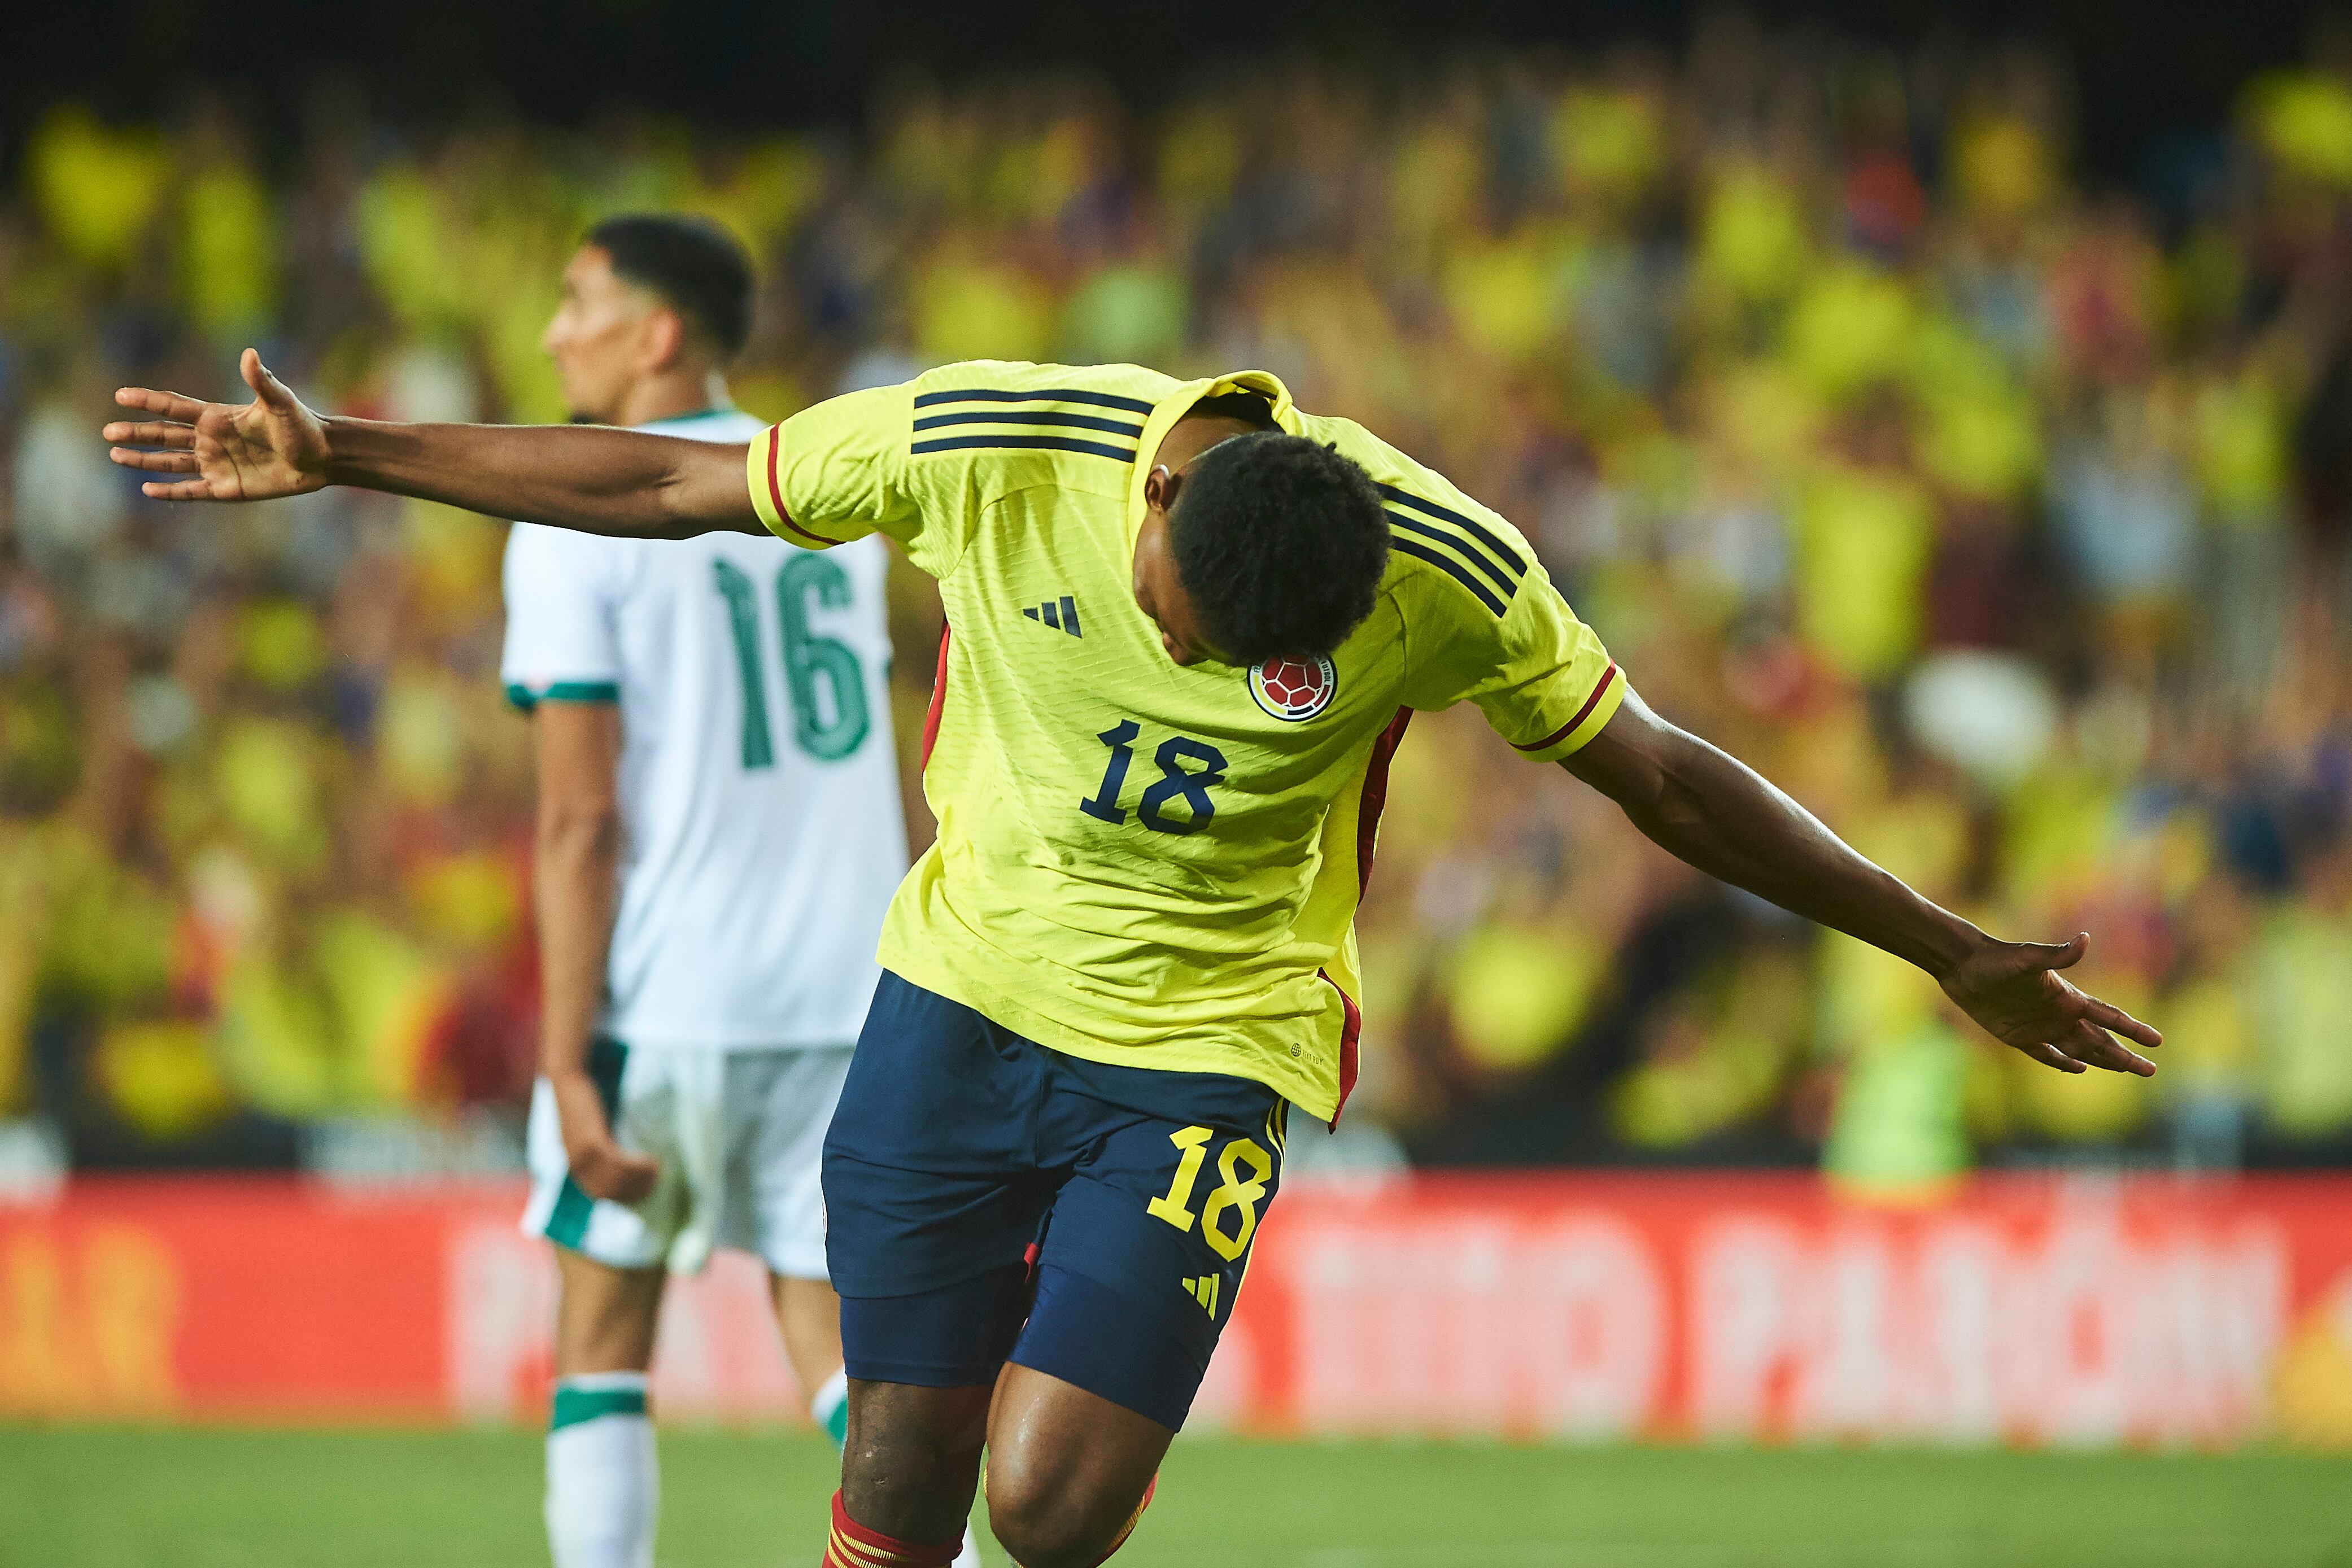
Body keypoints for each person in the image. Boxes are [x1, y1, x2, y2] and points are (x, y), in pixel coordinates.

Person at [105, 352, 2161, 1568]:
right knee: (895, 1465)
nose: (1186, 664)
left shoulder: (1443, 573)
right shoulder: (988, 438)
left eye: (1246, 666)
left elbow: (1666, 778)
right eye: (1174, 614)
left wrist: (1939, 942)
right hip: (956, 999)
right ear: (1153, 499)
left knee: (1053, 1508)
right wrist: (353, 451)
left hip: (1204, 1042)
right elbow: (666, 479)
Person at [495, 213, 971, 1568]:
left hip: (668, 996)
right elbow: (886, 748)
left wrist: (563, 1058)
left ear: (658, 333)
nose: (551, 331)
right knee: (847, 1361)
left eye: (578, 300)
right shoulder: (820, 486)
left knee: (601, 1346)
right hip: (840, 995)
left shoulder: (567, 513)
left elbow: (581, 817)